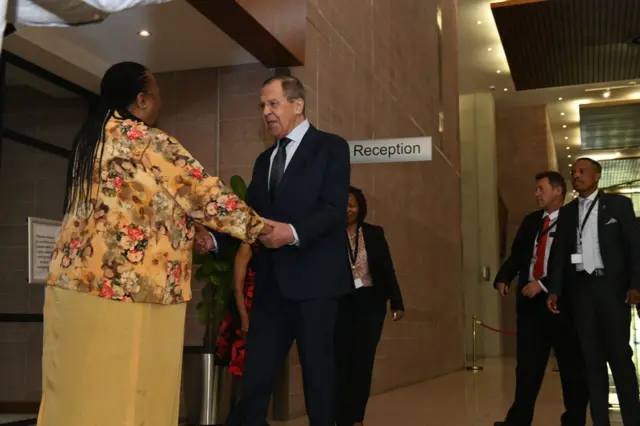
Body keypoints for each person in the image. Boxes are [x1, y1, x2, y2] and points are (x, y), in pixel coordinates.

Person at [38, 61, 268, 426]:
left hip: (72, 284)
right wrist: (259, 228)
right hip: (132, 290)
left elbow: (129, 210)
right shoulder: (147, 139)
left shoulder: (89, 142)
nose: (159, 104)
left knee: (75, 387)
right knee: (130, 392)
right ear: (142, 100)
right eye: (157, 96)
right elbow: (203, 194)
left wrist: (188, 233)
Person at [225, 74, 352, 426]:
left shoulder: (331, 147)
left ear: (297, 105)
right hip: (270, 287)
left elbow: (333, 208)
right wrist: (215, 239)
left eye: (273, 103)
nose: (266, 112)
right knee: (255, 376)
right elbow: (248, 215)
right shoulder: (264, 160)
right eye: (262, 106)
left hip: (315, 285)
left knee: (318, 377)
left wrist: (293, 233)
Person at [547, 158, 640, 426]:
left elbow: (634, 246)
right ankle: (600, 421)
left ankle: (633, 419)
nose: (576, 176)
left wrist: (635, 285)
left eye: (582, 171)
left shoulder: (619, 205)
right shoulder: (567, 212)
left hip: (612, 292)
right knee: (592, 361)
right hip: (581, 294)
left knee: (620, 358)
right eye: (573, 172)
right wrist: (554, 290)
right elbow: (560, 256)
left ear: (597, 176)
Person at [492, 171, 588, 426]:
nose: (536, 193)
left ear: (558, 190)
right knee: (527, 368)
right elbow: (517, 256)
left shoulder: (576, 220)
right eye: (535, 189)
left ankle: (574, 419)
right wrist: (503, 277)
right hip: (530, 306)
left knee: (571, 368)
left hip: (563, 305)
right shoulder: (531, 221)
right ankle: (518, 420)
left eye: (541, 188)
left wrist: (544, 285)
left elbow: (577, 262)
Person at [334, 186, 405, 426]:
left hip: (370, 306)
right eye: (343, 204)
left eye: (352, 204)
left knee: (363, 363)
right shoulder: (330, 235)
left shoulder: (374, 233)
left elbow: (387, 269)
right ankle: (341, 416)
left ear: (360, 206)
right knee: (340, 363)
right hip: (339, 305)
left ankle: (356, 418)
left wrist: (396, 301)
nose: (348, 209)